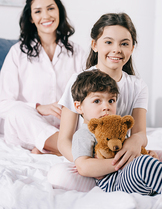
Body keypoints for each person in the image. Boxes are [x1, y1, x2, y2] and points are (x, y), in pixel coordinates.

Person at [48, 12, 149, 190]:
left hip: (123, 156)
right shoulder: (78, 80)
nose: (117, 49)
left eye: (124, 43)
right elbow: (63, 140)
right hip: (89, 161)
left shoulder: (138, 86)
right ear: (95, 45)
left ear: (132, 48)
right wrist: (86, 162)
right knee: (59, 176)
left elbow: (140, 133)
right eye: (108, 42)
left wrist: (136, 141)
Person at [71, 69, 162, 196]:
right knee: (144, 165)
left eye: (111, 100)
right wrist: (128, 161)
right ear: (78, 107)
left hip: (135, 175)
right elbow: (83, 167)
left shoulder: (117, 126)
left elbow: (132, 151)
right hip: (116, 182)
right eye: (97, 101)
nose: (106, 107)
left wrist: (148, 156)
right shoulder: (83, 134)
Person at [0, 0, 86, 154]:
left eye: (51, 8)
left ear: (59, 11)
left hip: (68, 127)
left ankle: (51, 148)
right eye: (38, 11)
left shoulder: (77, 52)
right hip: (27, 128)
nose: (46, 16)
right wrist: (38, 108)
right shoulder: (17, 53)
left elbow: (88, 94)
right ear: (31, 18)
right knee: (15, 112)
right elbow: (3, 104)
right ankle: (68, 150)